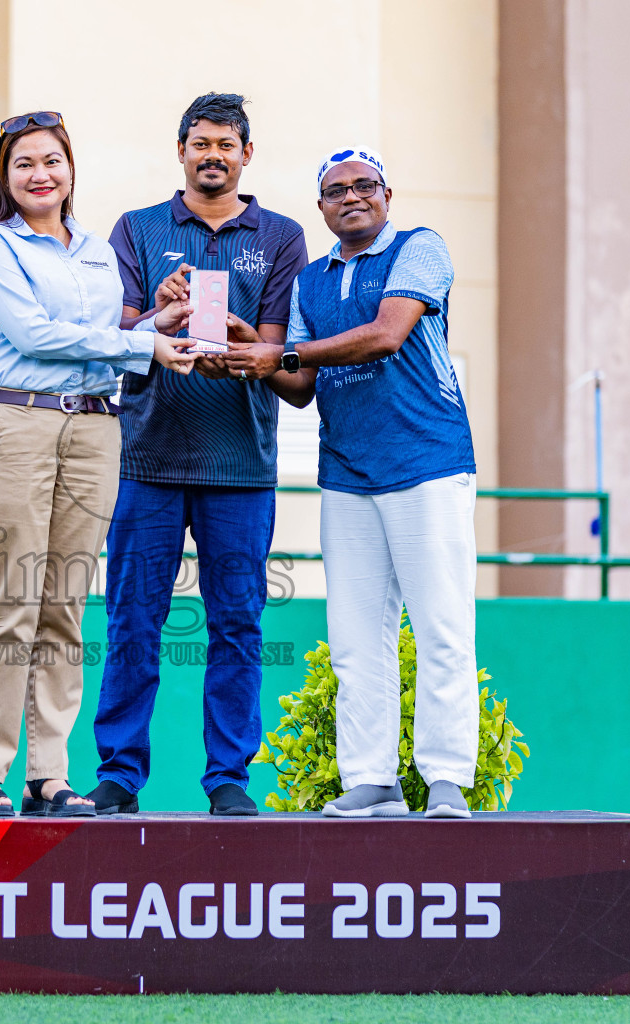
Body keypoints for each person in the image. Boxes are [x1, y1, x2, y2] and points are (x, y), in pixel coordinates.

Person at [223, 146, 479, 819]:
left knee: (442, 629)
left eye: (365, 185)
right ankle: (373, 783)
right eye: (337, 191)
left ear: (387, 194)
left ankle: (448, 780)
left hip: (427, 463)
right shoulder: (310, 282)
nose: (352, 197)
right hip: (348, 474)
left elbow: (386, 334)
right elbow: (301, 386)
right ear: (321, 208)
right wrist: (247, 354)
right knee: (356, 639)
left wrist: (280, 351)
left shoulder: (420, 249)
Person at [0, 111, 197, 817]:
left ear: (70, 170)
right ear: (6, 176)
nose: (40, 175)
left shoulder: (97, 250)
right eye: (25, 163)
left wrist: (159, 325)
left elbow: (100, 337)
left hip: (94, 428)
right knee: (13, 598)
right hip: (16, 422)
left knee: (63, 605)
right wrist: (138, 347)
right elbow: (34, 334)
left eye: (52, 161)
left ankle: (48, 775)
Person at [88, 93, 308, 816]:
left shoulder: (280, 236)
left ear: (248, 155)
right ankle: (119, 775)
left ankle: (229, 783)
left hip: (241, 465)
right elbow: (119, 346)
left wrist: (242, 342)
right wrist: (163, 313)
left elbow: (279, 352)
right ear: (179, 150)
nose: (213, 155)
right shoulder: (137, 229)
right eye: (200, 143)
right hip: (147, 459)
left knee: (239, 625)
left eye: (226, 144)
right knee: (131, 622)